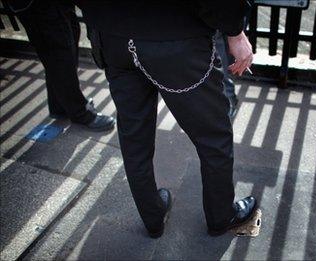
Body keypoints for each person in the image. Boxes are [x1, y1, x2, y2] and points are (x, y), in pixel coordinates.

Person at [77, 1, 258, 238]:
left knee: (135, 138)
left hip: (113, 38)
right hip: (176, 37)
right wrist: (234, 31)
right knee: (214, 136)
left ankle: (153, 217)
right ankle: (221, 216)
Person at [5, 0, 115, 131]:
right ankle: (79, 112)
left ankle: (60, 104)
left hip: (56, 4)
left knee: (66, 41)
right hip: (38, 4)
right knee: (58, 52)